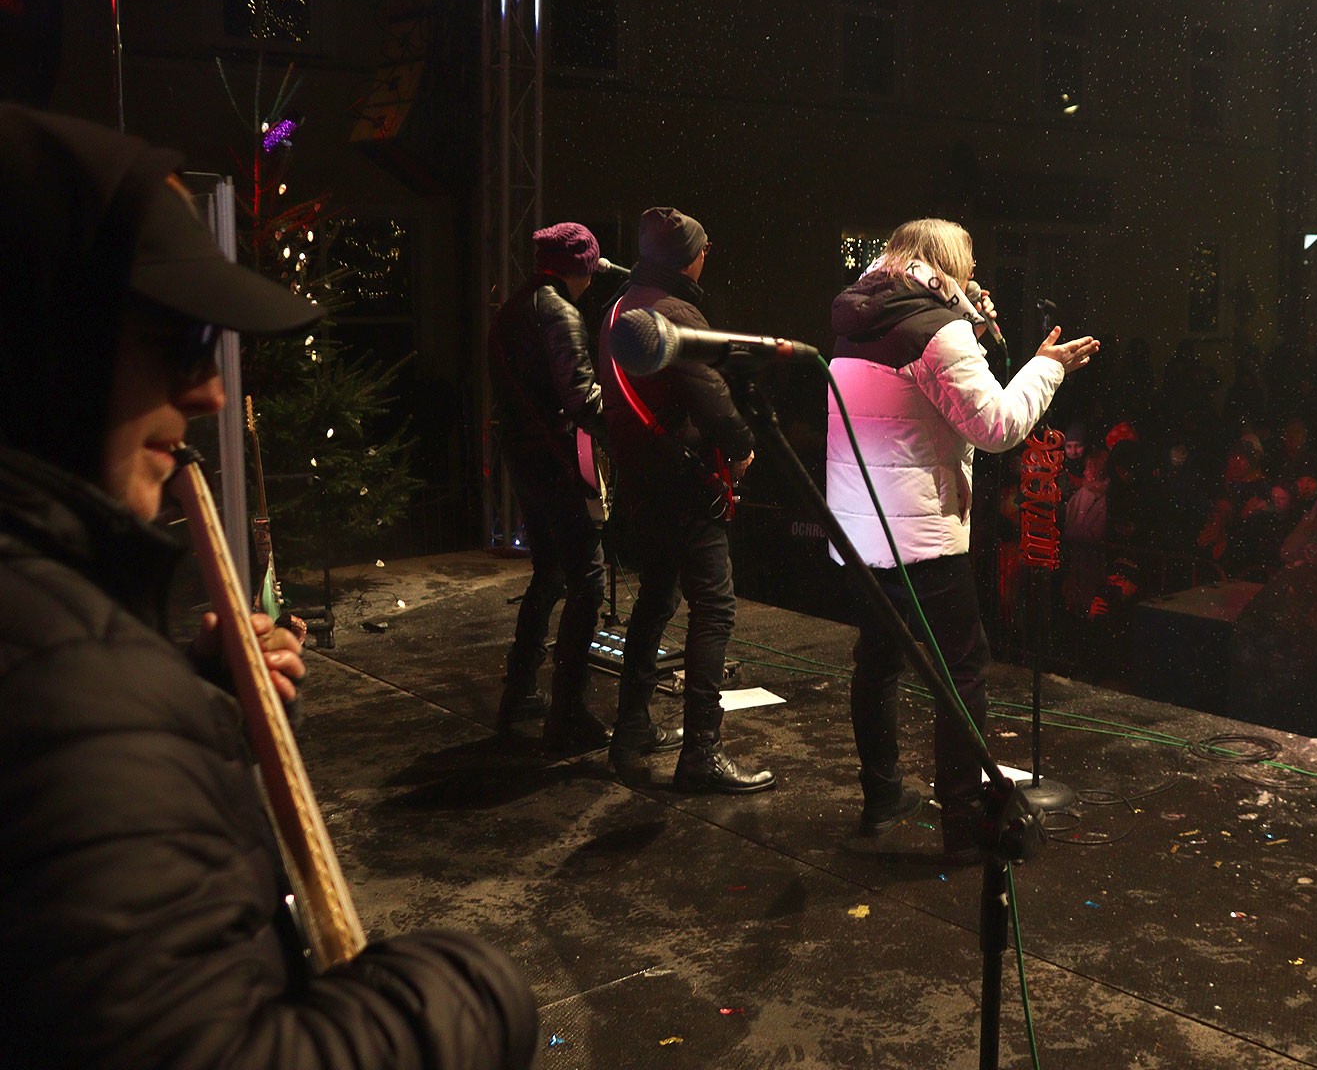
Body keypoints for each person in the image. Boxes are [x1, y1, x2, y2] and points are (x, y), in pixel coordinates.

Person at [0, 106, 536, 1066]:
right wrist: (480, 989)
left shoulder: (63, 662)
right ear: (42, 344)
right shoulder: (67, 691)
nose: (209, 390)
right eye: (176, 340)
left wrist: (185, 701)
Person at [824, 218, 1096, 858]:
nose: (975, 275)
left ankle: (882, 796)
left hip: (859, 530)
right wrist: (1045, 369)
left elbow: (912, 405)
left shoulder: (856, 321)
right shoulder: (935, 330)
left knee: (878, 661)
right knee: (962, 670)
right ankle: (962, 820)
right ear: (947, 263)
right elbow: (996, 426)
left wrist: (972, 328)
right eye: (969, 263)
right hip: (921, 537)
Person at [601, 206, 773, 794]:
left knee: (655, 597)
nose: (708, 256)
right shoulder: (675, 313)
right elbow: (709, 392)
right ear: (686, 258)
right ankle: (702, 749)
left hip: (642, 477)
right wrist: (741, 445)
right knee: (714, 607)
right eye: (703, 248)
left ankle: (632, 727)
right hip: (683, 481)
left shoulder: (620, 306)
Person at [489, 221, 617, 751]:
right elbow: (582, 399)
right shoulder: (560, 311)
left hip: (525, 458)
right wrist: (625, 411)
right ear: (582, 266)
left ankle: (520, 689)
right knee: (587, 582)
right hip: (558, 462)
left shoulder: (515, 306)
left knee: (549, 572)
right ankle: (567, 714)